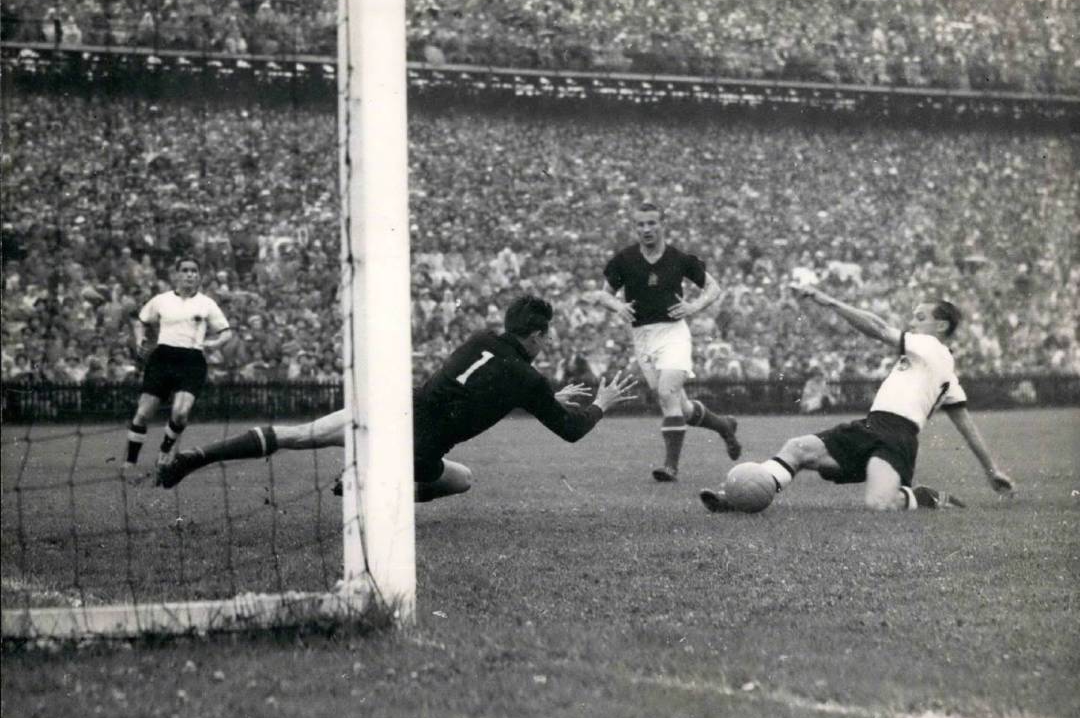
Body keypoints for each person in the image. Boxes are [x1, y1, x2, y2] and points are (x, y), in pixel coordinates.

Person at [157, 295, 637, 500]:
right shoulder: (527, 380)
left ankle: (197, 456)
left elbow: (482, 386)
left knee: (299, 435)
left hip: (394, 409)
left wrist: (548, 394)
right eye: (546, 337)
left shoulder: (479, 339)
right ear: (535, 335)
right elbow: (570, 431)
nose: (547, 344)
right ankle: (368, 488)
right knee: (462, 480)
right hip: (418, 451)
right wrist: (603, 403)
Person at [701, 285, 1014, 512]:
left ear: (941, 325)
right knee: (797, 448)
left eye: (920, 317)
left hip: (896, 438)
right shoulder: (942, 369)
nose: (913, 323)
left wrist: (829, 301)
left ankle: (924, 497)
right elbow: (967, 426)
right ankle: (742, 497)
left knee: (880, 504)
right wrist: (992, 470)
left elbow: (878, 328)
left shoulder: (931, 347)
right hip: (870, 427)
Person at [596, 201, 741, 482]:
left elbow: (714, 288)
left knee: (666, 392)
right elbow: (603, 294)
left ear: (663, 224)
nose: (646, 229)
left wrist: (693, 306)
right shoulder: (625, 259)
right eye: (641, 224)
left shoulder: (679, 258)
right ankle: (724, 425)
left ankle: (670, 467)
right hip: (642, 336)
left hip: (674, 333)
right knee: (680, 407)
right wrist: (617, 306)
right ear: (635, 227)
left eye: (652, 223)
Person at [122, 257, 232, 482]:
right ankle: (129, 463)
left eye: (194, 271)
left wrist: (214, 343)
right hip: (163, 358)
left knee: (181, 413)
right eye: (185, 270)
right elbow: (141, 321)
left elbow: (226, 332)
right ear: (176, 275)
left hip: (192, 359)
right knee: (143, 413)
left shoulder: (207, 303)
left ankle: (165, 451)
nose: (190, 274)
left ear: (199, 276)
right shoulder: (161, 300)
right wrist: (140, 339)